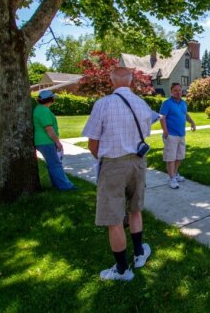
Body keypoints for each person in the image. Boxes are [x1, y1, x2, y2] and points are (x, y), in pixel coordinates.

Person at [82, 67, 154, 281]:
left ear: (111, 80)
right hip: (138, 162)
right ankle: (139, 253)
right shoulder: (143, 105)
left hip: (113, 162)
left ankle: (122, 269)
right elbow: (146, 133)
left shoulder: (102, 104)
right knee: (135, 208)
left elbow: (92, 143)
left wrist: (102, 158)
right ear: (131, 81)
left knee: (113, 217)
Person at [33, 90, 76, 191]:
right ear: (50, 99)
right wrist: (57, 142)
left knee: (53, 164)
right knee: (56, 164)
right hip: (46, 141)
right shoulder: (44, 111)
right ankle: (65, 186)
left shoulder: (39, 109)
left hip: (43, 141)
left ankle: (57, 184)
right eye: (53, 98)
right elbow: (48, 128)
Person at [160, 82, 196, 189]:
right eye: (175, 90)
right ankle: (171, 178)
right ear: (171, 92)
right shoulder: (166, 103)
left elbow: (185, 115)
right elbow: (162, 117)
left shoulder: (183, 103)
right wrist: (165, 131)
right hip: (171, 135)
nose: (178, 92)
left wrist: (192, 122)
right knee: (171, 158)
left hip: (181, 134)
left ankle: (175, 174)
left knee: (179, 156)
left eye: (179, 90)